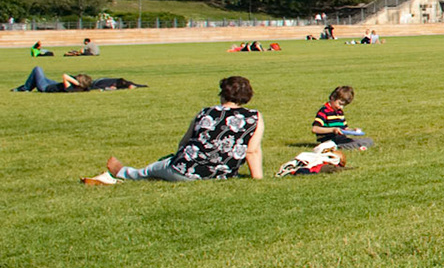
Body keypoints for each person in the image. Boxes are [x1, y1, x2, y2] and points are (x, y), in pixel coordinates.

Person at [89, 76, 263, 184]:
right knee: (162, 167)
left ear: (222, 94)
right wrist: (257, 178)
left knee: (152, 169)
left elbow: (185, 141)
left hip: (185, 169)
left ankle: (124, 173)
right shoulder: (254, 117)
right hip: (221, 174)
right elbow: (252, 151)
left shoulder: (206, 112)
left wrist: (176, 159)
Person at [311, 84, 370, 149]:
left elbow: (344, 129)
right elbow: (315, 129)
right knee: (356, 143)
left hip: (340, 138)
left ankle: (352, 145)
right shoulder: (324, 111)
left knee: (369, 140)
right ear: (332, 98)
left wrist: (353, 130)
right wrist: (333, 130)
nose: (341, 107)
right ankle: (337, 147)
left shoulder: (339, 112)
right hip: (330, 140)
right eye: (340, 104)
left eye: (344, 105)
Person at [16, 68, 143, 92]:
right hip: (55, 84)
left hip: (46, 88)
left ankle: (25, 88)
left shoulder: (70, 88)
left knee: (37, 70)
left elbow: (65, 75)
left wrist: (76, 82)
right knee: (39, 77)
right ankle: (23, 88)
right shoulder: (84, 89)